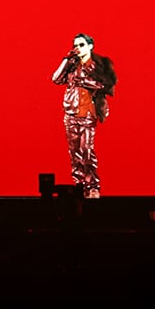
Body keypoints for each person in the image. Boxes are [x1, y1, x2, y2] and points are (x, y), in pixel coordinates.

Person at [51, 33, 116, 198]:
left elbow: (107, 85)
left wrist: (85, 82)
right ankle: (79, 186)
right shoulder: (72, 66)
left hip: (87, 113)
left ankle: (92, 186)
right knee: (75, 153)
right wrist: (66, 60)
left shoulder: (99, 65)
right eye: (75, 45)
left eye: (81, 45)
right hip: (71, 112)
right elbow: (56, 79)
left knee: (86, 150)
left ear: (90, 46)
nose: (77, 48)